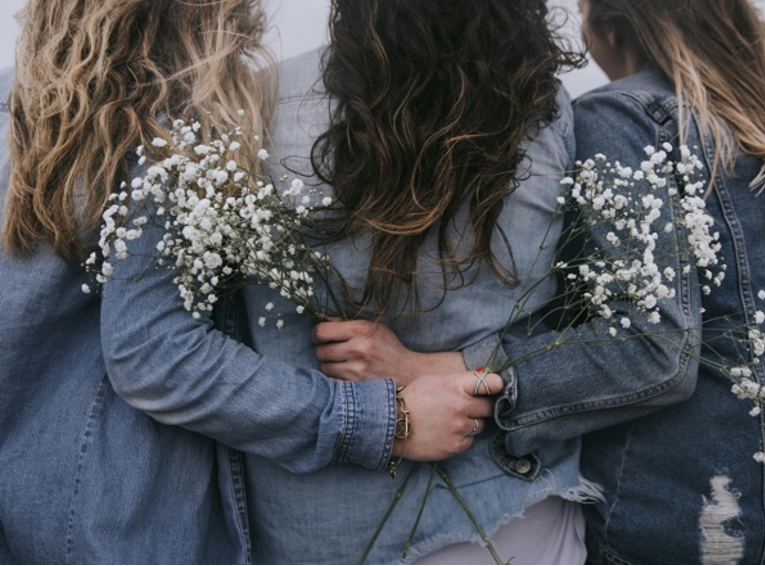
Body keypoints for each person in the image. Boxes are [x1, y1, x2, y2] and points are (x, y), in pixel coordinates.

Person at [321, 0, 765, 563]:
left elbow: (654, 349)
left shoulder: (627, 118)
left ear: (613, 27)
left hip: (684, 521)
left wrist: (449, 371)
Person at [1, 0, 491, 563]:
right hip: (117, 535)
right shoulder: (163, 126)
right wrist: (388, 420)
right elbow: (151, 351)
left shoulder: (21, 104)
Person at [229, 0, 596, 564]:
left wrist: (421, 372)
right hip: (506, 513)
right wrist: (474, 364)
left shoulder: (253, 101)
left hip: (322, 526)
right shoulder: (548, 113)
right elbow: (585, 321)